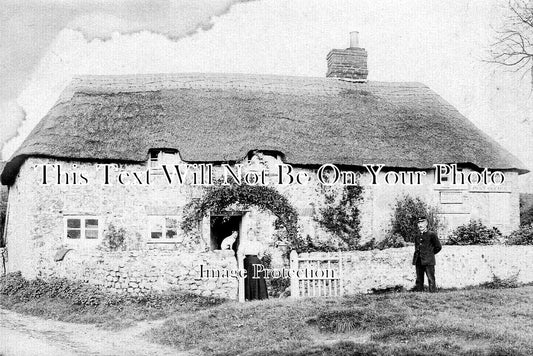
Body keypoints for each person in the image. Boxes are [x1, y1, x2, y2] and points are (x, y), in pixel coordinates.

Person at [412, 216, 442, 292]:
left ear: (426, 224)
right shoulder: (417, 236)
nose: (420, 225)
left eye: (422, 222)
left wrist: (430, 254)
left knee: (431, 278)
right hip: (419, 260)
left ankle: (432, 292)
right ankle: (419, 292)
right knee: (419, 278)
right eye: (419, 223)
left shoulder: (432, 234)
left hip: (429, 261)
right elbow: (417, 248)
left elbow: (438, 247)